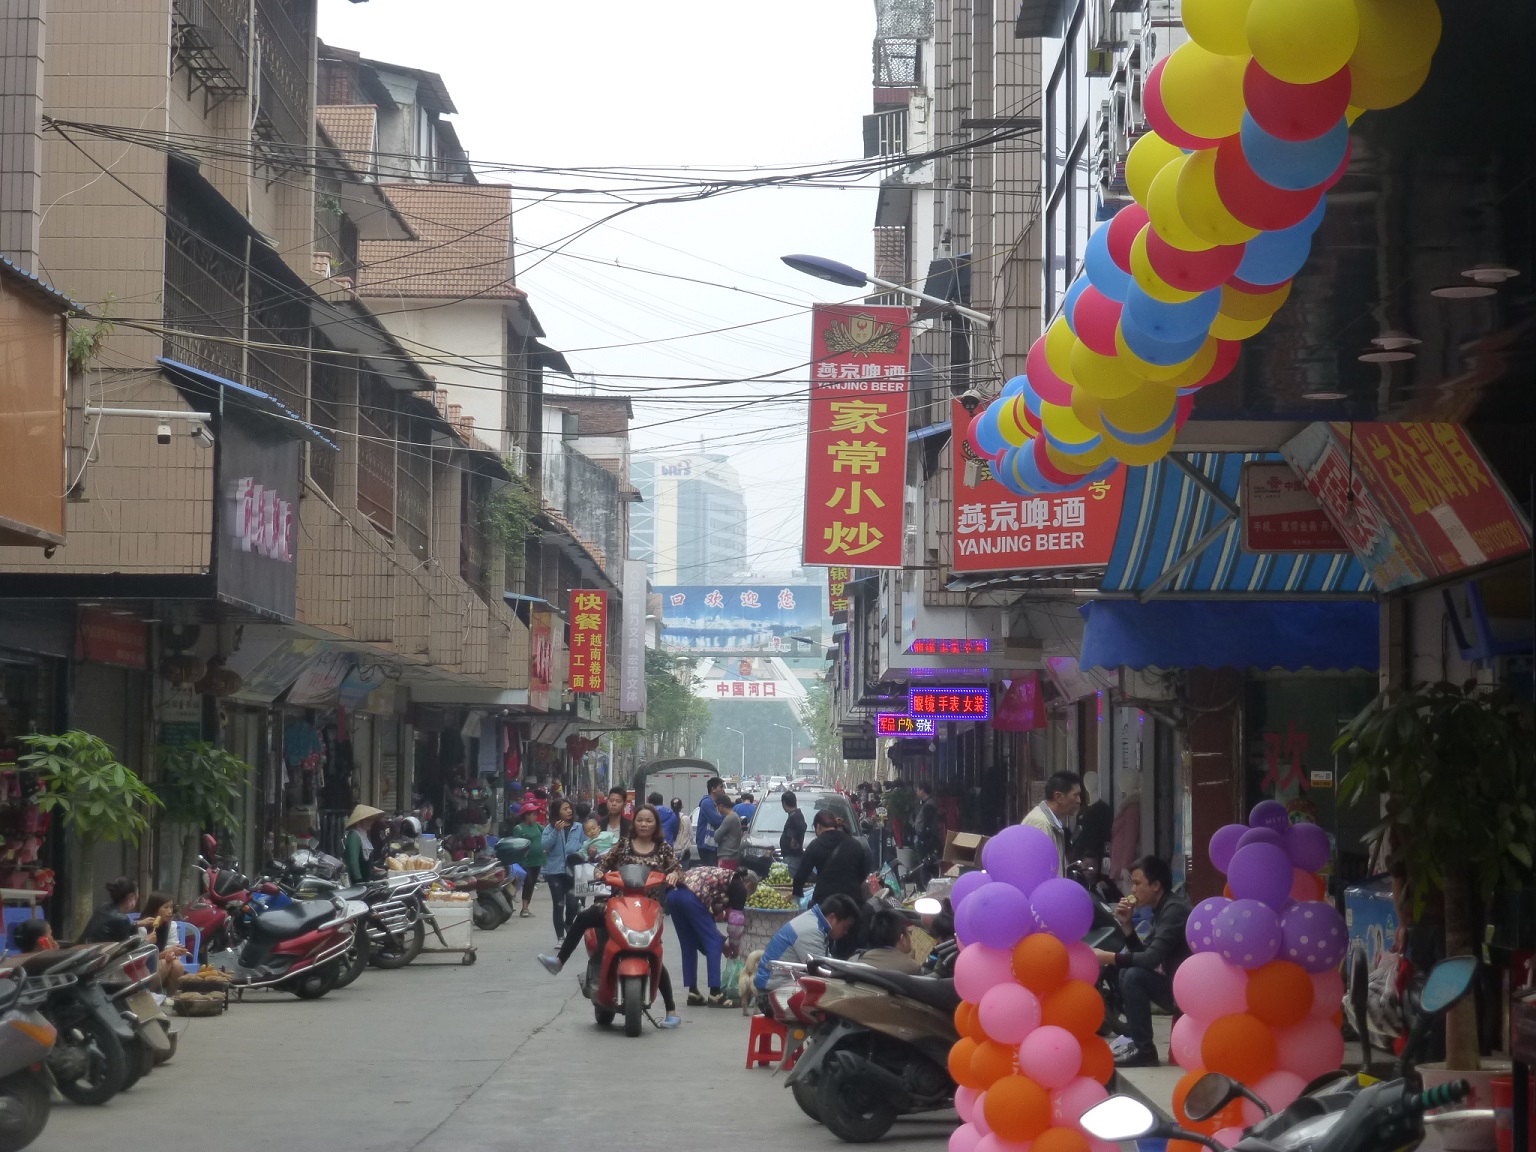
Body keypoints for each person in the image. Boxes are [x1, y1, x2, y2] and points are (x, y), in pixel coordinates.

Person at [536, 804, 683, 1028]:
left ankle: (671, 1010)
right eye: (640, 820)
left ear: (656, 825)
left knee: (654, 952)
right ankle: (559, 961)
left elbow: (678, 869)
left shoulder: (663, 848)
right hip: (617, 904)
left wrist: (673, 874)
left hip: (648, 910)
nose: (643, 824)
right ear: (634, 823)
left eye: (648, 820)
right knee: (584, 917)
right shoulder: (623, 844)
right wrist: (598, 871)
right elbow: (604, 863)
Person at [1092, 854, 1191, 1068]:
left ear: (1156, 885)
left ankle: (1144, 1050)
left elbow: (1150, 959)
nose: (1133, 891)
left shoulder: (1174, 911)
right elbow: (1145, 954)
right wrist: (1127, 927)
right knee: (1128, 972)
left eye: (1137, 883)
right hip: (1175, 983)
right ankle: (1139, 1044)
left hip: (1188, 992)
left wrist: (1109, 958)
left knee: (1133, 976)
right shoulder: (1163, 908)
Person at [665, 865, 757, 1006]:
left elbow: (706, 923)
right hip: (692, 896)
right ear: (748, 884)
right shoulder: (739, 885)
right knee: (713, 943)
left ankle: (693, 992)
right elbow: (735, 924)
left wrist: (723, 943)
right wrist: (734, 946)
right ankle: (715, 994)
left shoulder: (722, 878)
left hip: (673, 895)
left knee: (688, 943)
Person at [752, 892, 861, 1010]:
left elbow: (827, 961)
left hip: (779, 988)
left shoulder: (814, 922)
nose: (846, 932)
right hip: (771, 995)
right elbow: (822, 970)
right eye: (846, 927)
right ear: (832, 918)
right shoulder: (811, 930)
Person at [793, 809, 871, 909]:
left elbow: (801, 875)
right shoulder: (854, 844)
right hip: (851, 902)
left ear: (818, 826)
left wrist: (797, 896)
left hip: (824, 901)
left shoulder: (815, 845)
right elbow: (862, 873)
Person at [541, 799, 589, 941]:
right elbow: (545, 845)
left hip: (574, 871)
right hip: (555, 872)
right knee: (558, 904)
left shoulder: (579, 827)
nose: (569, 811)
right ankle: (560, 937)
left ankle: (568, 923)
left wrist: (584, 854)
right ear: (557, 812)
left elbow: (586, 844)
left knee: (572, 904)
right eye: (564, 809)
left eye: (569, 808)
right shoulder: (549, 828)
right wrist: (556, 831)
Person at [1023, 771, 1083, 876]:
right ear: (1058, 797)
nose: (1079, 801)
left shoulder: (1051, 821)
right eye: (1075, 795)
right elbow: (1040, 870)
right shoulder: (1041, 824)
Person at [138, 890, 190, 991]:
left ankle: (172, 998)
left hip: (163, 964)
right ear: (155, 909)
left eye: (171, 907)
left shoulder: (171, 926)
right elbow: (141, 958)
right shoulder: (143, 927)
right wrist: (165, 954)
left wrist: (173, 953)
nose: (170, 911)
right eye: (165, 907)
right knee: (165, 964)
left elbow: (171, 946)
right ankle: (150, 995)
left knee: (177, 965)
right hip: (144, 969)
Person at [508, 803, 547, 918]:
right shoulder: (519, 828)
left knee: (531, 883)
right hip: (525, 861)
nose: (535, 817)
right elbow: (516, 845)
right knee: (527, 882)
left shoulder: (538, 826)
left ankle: (526, 907)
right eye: (533, 814)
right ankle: (521, 907)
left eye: (535, 814)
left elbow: (547, 835)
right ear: (526, 815)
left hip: (538, 860)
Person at [859, 906, 923, 973]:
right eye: (909, 933)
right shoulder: (913, 968)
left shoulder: (854, 960)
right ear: (902, 937)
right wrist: (909, 961)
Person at [82, 876, 139, 943]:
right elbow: (125, 949)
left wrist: (137, 924)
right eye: (137, 893)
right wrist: (146, 941)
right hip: (100, 953)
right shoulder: (122, 919)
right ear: (131, 897)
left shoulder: (102, 907)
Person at [343, 804, 386, 884]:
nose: (371, 822)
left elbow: (364, 858)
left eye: (371, 820)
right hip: (357, 882)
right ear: (360, 821)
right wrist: (359, 882)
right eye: (368, 820)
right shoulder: (354, 836)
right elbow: (353, 862)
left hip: (366, 879)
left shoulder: (363, 834)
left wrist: (372, 868)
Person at [694, 776, 725, 865]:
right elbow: (716, 821)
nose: (723, 790)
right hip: (706, 845)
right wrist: (726, 817)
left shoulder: (715, 803)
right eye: (721, 787)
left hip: (712, 845)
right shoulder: (707, 803)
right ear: (713, 789)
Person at [779, 790, 807, 875]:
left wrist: (794, 840)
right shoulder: (793, 815)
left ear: (784, 803)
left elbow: (802, 827)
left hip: (793, 857)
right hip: (789, 856)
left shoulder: (796, 816)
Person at [714, 793, 744, 870]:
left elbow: (716, 837)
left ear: (721, 806)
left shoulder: (729, 818)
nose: (717, 810)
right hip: (732, 855)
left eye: (717, 807)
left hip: (727, 856)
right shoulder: (735, 816)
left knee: (725, 880)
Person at [913, 781, 942, 858]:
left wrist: (923, 835)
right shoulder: (925, 803)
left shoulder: (929, 804)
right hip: (925, 838)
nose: (917, 792)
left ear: (922, 790)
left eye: (918, 789)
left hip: (927, 839)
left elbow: (928, 822)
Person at [671, 798, 693, 863]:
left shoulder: (669, 818)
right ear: (682, 806)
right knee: (684, 872)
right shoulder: (686, 819)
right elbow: (691, 836)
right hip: (684, 852)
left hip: (672, 852)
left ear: (671, 807)